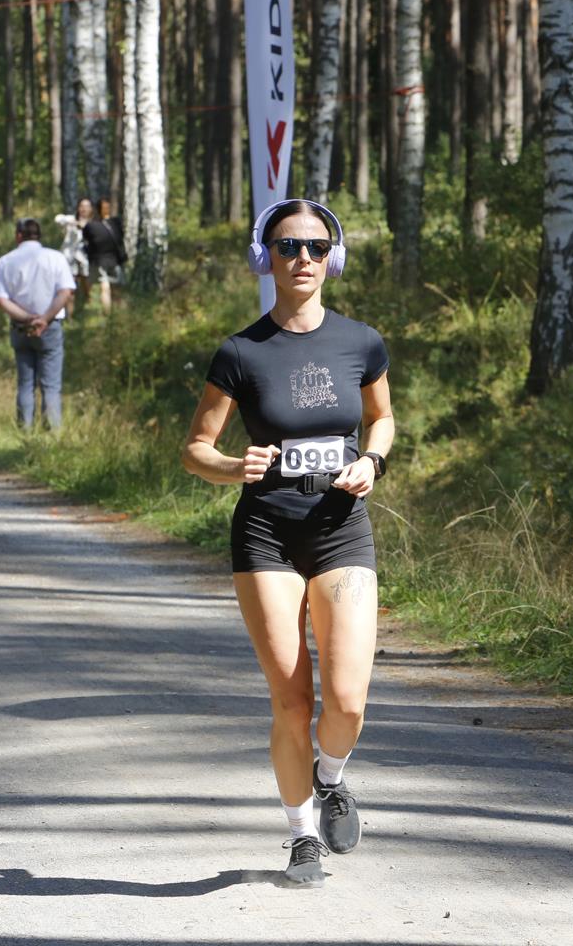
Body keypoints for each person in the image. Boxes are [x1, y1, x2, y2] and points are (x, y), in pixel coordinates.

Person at [181, 199, 394, 887]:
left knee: (348, 701)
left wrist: (373, 461)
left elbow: (382, 419)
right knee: (292, 701)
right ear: (264, 257)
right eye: (287, 246)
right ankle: (302, 835)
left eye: (315, 246)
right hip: (266, 533)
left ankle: (331, 776)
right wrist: (229, 466)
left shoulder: (361, 341)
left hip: (340, 527)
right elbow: (196, 448)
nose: (302, 258)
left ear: (333, 257)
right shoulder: (240, 351)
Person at [0, 218, 75, 429]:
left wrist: (28, 318)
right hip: (50, 326)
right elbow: (65, 292)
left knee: (25, 384)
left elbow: (1, 299)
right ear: (39, 235)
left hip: (21, 327)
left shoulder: (5, 261)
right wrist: (44, 318)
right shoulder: (56, 258)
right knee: (51, 385)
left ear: (18, 235)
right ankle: (51, 432)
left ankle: (24, 430)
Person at [83, 197, 125, 312]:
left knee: (105, 288)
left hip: (100, 260)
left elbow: (86, 242)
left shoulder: (91, 226)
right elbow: (121, 238)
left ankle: (108, 313)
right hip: (114, 260)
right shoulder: (116, 223)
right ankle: (117, 314)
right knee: (116, 288)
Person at [52, 198, 91, 313]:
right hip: (69, 258)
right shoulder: (71, 219)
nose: (84, 209)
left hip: (85, 259)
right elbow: (58, 219)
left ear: (91, 209)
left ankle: (87, 303)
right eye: (82, 206)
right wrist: (73, 223)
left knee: (86, 283)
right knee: (70, 287)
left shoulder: (92, 223)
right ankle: (70, 316)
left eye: (87, 206)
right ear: (78, 208)